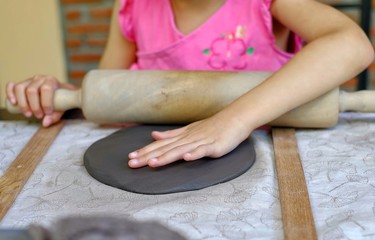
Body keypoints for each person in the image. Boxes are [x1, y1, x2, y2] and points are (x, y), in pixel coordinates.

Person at [6, 0, 374, 169]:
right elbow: (108, 97)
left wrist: (233, 120)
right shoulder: (134, 8)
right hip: (157, 162)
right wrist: (60, 96)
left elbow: (352, 45)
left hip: (272, 162)